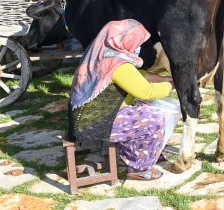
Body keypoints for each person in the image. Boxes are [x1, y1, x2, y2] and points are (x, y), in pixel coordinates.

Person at [68, 19, 174, 181]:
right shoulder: (118, 64)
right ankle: (140, 167)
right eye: (136, 41)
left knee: (138, 111)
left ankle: (133, 153)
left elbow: (138, 75)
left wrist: (162, 79)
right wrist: (172, 86)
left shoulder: (102, 55)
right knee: (153, 118)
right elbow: (147, 92)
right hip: (95, 128)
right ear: (125, 39)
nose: (138, 46)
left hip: (83, 121)